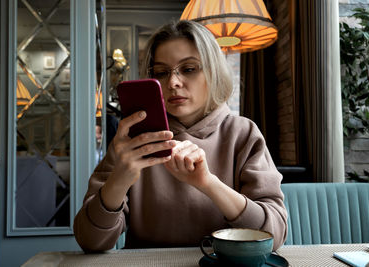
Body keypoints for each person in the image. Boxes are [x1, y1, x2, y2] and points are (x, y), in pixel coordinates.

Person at [74, 20, 287, 252]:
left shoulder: (243, 134)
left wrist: (208, 184)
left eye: (188, 69)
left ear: (213, 71)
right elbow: (90, 240)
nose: (173, 82)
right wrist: (119, 179)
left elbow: (273, 236)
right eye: (161, 73)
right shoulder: (133, 140)